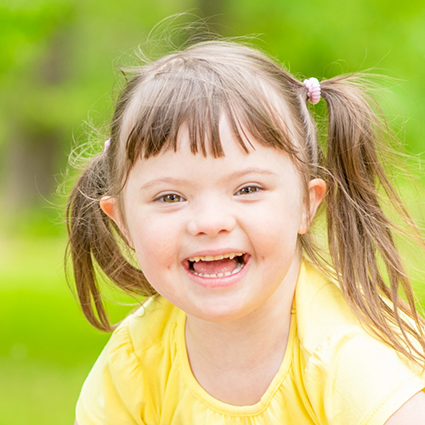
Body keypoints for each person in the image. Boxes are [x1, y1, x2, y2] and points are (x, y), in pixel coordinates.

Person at [66, 39, 425, 424]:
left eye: (247, 189)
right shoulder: (135, 362)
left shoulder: (351, 355)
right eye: (170, 196)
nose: (209, 222)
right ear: (122, 221)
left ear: (306, 204)